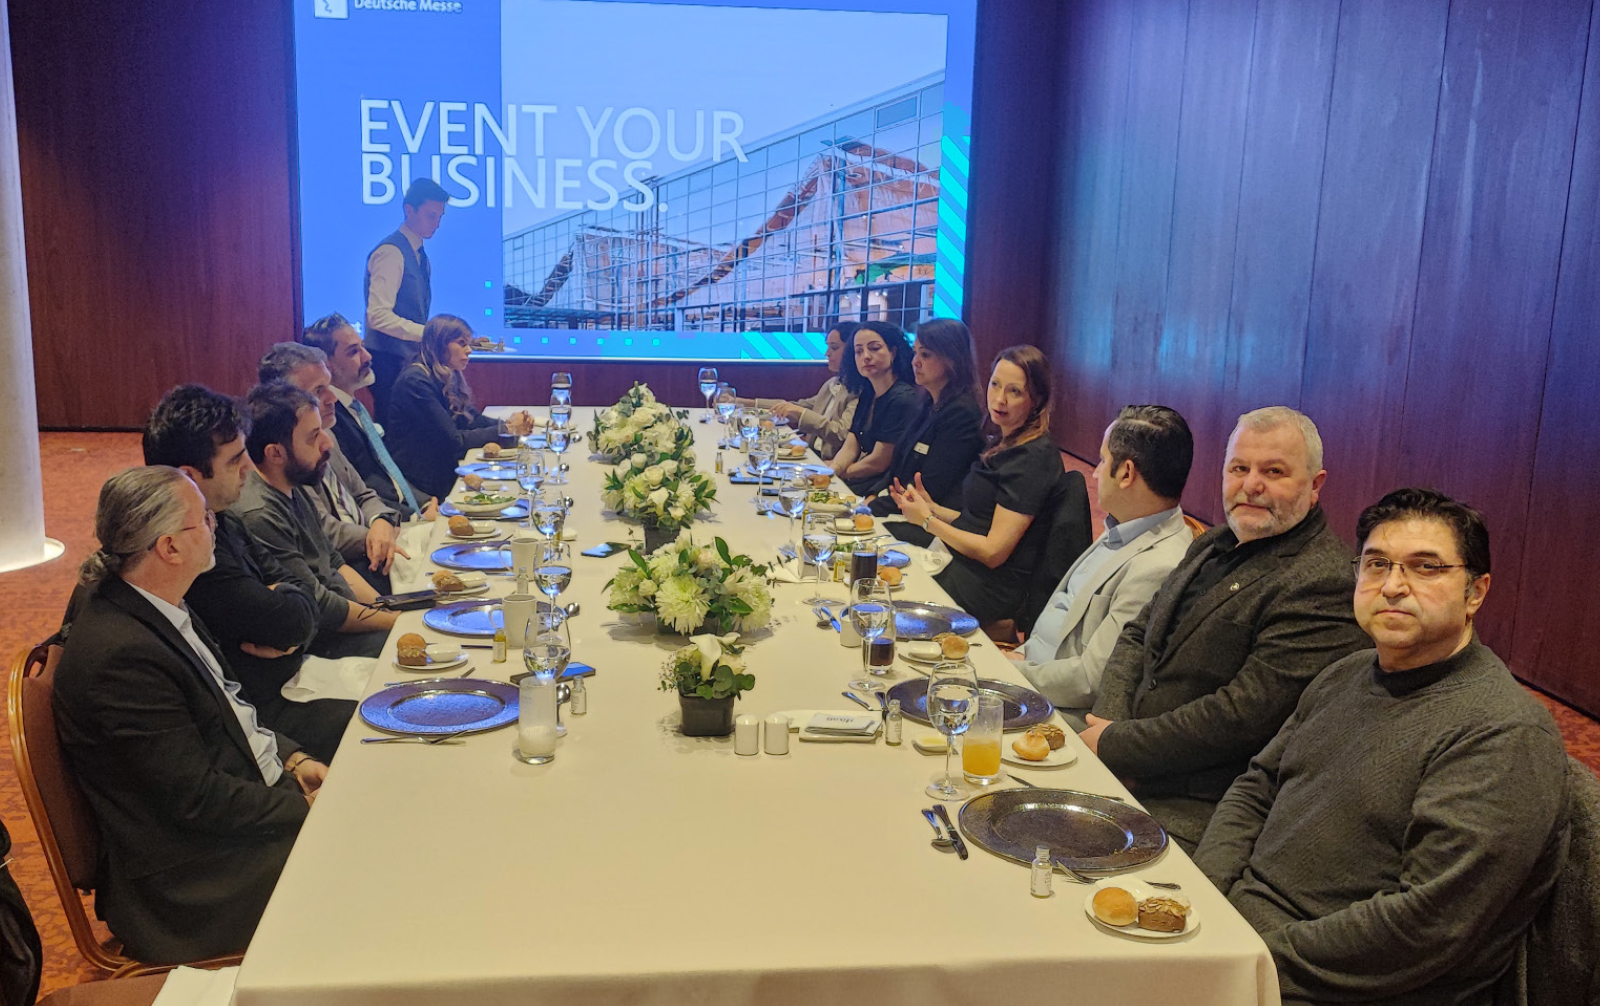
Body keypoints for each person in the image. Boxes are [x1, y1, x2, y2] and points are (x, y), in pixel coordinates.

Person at [1194, 489, 1569, 1005]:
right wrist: (1205, 900)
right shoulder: (1345, 673)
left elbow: (1423, 928)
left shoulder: (1503, 734)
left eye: (1426, 567)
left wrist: (1245, 960)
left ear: (1475, 592)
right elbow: (1256, 787)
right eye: (1377, 564)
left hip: (1333, 986)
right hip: (1235, 936)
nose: (1393, 586)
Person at [53, 466, 324, 963]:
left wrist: (292, 759)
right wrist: (307, 808)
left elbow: (229, 704)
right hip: (195, 882)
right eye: (204, 519)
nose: (217, 524)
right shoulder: (121, 658)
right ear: (170, 547)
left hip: (232, 817)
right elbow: (196, 800)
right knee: (378, 850)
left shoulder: (154, 597)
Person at [1081, 406, 1369, 849]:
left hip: (1195, 807)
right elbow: (1138, 634)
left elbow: (1238, 718)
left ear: (1315, 485)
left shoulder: (1322, 582)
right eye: (1239, 468)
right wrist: (1112, 730)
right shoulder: (1217, 541)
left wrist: (1120, 747)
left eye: (1273, 471)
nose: (1251, 484)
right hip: (1128, 761)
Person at [142, 384, 356, 762]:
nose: (248, 468)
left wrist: (286, 607)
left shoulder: (223, 518)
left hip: (285, 684)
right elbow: (286, 621)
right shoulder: (190, 556)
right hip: (263, 712)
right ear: (189, 477)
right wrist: (287, 611)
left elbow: (299, 601)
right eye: (234, 460)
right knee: (390, 719)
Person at [1012, 405, 1195, 726]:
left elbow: (1090, 680)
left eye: (1102, 460)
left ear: (1126, 473)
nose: (1095, 473)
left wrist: (1009, 671)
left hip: (1059, 713)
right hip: (1028, 668)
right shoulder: (1127, 523)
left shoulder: (1159, 566)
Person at [889, 345, 1065, 625]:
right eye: (995, 385)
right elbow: (980, 522)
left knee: (889, 588)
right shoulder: (1005, 442)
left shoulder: (1032, 458)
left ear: (1037, 399)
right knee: (883, 552)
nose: (1000, 399)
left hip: (989, 585)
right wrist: (933, 509)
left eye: (1014, 391)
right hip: (965, 562)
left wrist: (927, 522)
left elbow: (993, 552)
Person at [235, 383, 397, 658]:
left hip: (340, 619)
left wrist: (386, 608)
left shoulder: (293, 482)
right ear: (275, 453)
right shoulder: (260, 514)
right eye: (313, 436)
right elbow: (318, 605)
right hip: (316, 642)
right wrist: (395, 622)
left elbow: (333, 561)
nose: (327, 442)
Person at [258, 341, 406, 590]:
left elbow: (364, 494)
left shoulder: (327, 434)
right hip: (346, 567)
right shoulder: (285, 456)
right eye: (318, 391)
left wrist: (382, 521)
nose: (332, 398)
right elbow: (323, 529)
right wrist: (380, 535)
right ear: (285, 401)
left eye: (329, 385)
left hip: (373, 549)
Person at [385, 314, 535, 501]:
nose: (469, 350)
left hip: (442, 473)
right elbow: (455, 441)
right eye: (462, 343)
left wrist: (509, 424)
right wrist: (507, 429)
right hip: (424, 487)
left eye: (469, 344)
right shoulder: (415, 381)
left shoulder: (444, 371)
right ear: (440, 345)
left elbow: (471, 419)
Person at [301, 312, 432, 518]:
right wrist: (414, 517)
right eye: (354, 351)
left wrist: (423, 502)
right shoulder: (328, 419)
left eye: (362, 347)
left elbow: (388, 472)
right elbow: (356, 493)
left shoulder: (354, 407)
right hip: (384, 521)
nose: (368, 357)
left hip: (406, 510)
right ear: (326, 364)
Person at [863, 318, 985, 516]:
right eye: (915, 353)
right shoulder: (928, 403)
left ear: (951, 359)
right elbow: (897, 467)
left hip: (933, 517)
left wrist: (872, 506)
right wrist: (873, 493)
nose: (915, 362)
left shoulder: (962, 414)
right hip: (900, 505)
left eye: (925, 355)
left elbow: (932, 487)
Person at [365, 177, 451, 423]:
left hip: (405, 361)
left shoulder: (420, 256)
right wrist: (429, 334)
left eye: (440, 217)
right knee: (397, 434)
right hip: (388, 361)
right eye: (431, 216)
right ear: (409, 210)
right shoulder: (391, 252)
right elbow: (377, 316)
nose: (437, 224)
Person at [746, 320, 860, 460]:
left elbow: (840, 434)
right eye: (828, 347)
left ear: (852, 351)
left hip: (829, 462)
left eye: (834, 348)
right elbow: (796, 406)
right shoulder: (832, 383)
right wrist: (744, 403)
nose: (827, 353)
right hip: (811, 454)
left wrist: (800, 413)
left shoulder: (858, 391)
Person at [828, 321, 918, 494]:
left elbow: (879, 462)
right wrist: (835, 468)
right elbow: (851, 445)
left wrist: (835, 473)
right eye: (858, 351)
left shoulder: (902, 398)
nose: (866, 356)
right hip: (860, 480)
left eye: (874, 348)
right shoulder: (868, 392)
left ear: (893, 352)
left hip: (884, 489)